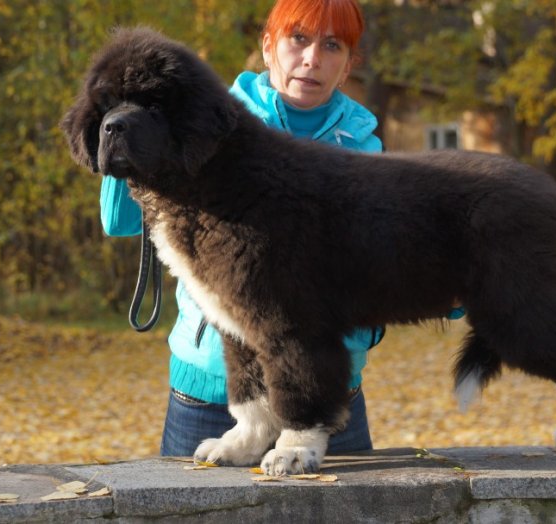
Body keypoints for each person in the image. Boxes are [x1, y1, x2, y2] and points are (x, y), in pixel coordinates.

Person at [100, 0, 385, 456]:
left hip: (327, 389)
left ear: (348, 64)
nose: (312, 58)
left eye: (331, 45)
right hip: (211, 391)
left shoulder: (364, 149)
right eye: (298, 39)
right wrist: (128, 140)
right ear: (268, 46)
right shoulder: (200, 120)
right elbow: (119, 223)